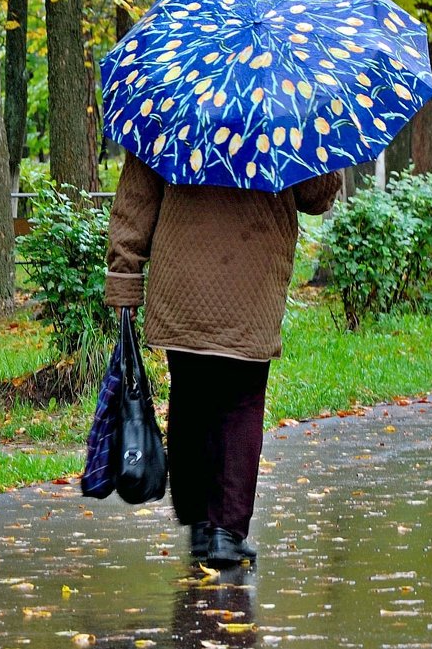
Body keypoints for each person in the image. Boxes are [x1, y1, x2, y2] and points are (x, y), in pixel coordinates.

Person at [105, 152, 342, 566]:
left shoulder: (174, 100)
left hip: (181, 278)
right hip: (255, 275)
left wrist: (125, 277)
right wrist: (323, 150)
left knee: (190, 393)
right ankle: (226, 532)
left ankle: (198, 523)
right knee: (242, 400)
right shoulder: (283, 110)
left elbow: (137, 197)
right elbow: (317, 196)